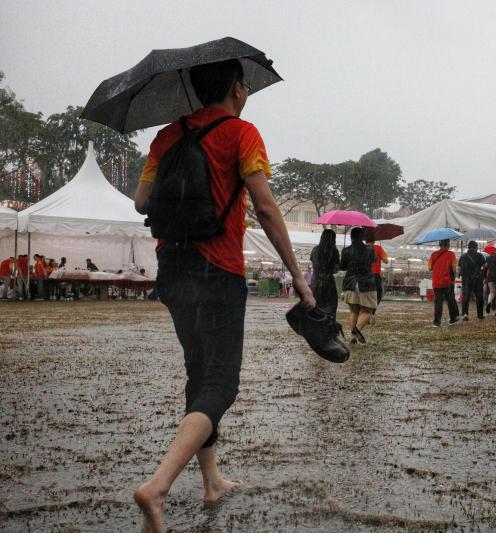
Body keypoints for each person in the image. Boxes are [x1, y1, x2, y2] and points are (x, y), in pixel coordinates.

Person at [131, 58, 315, 532]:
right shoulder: (242, 133)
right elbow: (269, 210)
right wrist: (296, 274)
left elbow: (141, 202)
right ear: (235, 88)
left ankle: (212, 480)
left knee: (199, 373)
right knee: (220, 384)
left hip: (172, 268)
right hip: (218, 269)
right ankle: (158, 487)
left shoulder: (165, 137)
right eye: (246, 84)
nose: (247, 90)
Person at [341, 227, 376, 342]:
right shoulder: (370, 249)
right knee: (368, 310)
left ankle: (353, 337)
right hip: (366, 283)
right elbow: (373, 261)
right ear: (363, 237)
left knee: (354, 311)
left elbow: (343, 267)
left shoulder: (345, 250)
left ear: (351, 237)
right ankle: (357, 330)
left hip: (350, 283)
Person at [427, 239, 459, 327]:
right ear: (448, 245)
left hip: (436, 282)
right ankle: (453, 318)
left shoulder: (433, 255)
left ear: (440, 245)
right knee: (450, 300)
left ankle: (437, 322)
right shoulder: (451, 254)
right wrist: (453, 277)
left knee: (438, 302)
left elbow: (429, 268)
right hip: (447, 282)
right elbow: (454, 268)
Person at [310, 229, 341, 315]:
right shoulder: (334, 251)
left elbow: (313, 261)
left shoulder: (315, 250)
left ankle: (316, 325)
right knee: (330, 307)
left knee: (316, 306)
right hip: (328, 283)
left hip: (315, 282)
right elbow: (337, 268)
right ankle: (328, 325)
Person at [458, 240, 486, 320]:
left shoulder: (463, 256)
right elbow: (485, 265)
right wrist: (481, 271)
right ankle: (480, 315)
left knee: (465, 297)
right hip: (477, 279)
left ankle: (465, 314)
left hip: (466, 279)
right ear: (476, 247)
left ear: (469, 247)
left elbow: (459, 269)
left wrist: (461, 275)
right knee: (479, 297)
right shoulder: (479, 255)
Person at [367, 237, 389, 323]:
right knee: (378, 295)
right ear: (374, 240)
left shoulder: (362, 248)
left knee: (366, 295)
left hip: (364, 276)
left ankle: (365, 313)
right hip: (375, 276)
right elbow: (386, 261)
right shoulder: (378, 248)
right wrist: (382, 256)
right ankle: (372, 312)